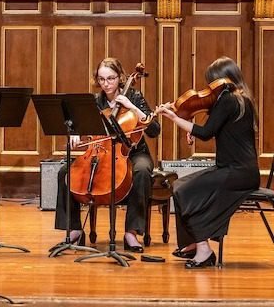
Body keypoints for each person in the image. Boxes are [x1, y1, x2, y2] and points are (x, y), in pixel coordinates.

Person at [157, 56, 260, 269]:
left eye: (213, 82)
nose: (210, 88)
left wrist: (174, 118)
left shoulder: (229, 99)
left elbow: (205, 133)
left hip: (237, 172)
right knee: (179, 186)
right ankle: (194, 243)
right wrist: (190, 122)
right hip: (238, 170)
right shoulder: (240, 99)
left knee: (185, 192)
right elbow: (213, 125)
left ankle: (203, 249)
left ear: (225, 79)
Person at [54, 57, 160, 252]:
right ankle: (75, 229)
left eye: (110, 78)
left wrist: (132, 107)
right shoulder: (96, 101)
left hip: (133, 152)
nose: (106, 84)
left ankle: (131, 232)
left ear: (120, 77)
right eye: (101, 79)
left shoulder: (134, 96)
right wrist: (75, 132)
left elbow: (154, 129)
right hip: (101, 152)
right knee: (64, 172)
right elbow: (77, 123)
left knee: (143, 170)